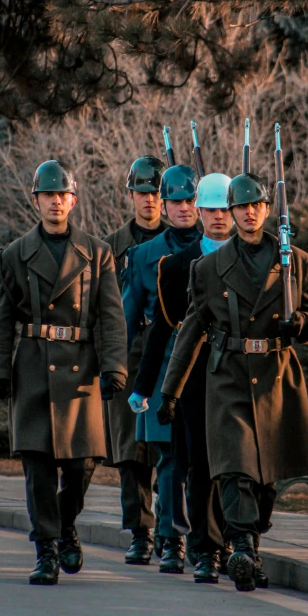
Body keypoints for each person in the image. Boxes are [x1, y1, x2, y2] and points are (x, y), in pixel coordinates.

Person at [159, 172, 308, 592]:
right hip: (229, 376)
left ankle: (252, 537)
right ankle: (241, 547)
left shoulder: (295, 262)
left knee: (266, 481)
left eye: (256, 205)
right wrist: (169, 391)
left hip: (276, 379)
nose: (249, 212)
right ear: (231, 212)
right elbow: (192, 330)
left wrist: (300, 324)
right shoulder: (209, 268)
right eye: (241, 206)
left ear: (267, 209)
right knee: (235, 469)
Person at [0, 160, 127, 586]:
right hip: (32, 366)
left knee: (83, 463)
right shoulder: (14, 255)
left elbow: (111, 316)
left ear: (73, 199)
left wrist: (114, 366)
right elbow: (1, 318)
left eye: (61, 195)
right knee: (39, 467)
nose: (55, 202)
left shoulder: (98, 252)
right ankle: (46, 547)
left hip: (81, 368)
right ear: (35, 201)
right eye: (47, 195)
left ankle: (65, 526)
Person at [134, 173, 232, 584]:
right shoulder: (176, 265)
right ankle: (202, 546)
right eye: (210, 209)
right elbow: (160, 326)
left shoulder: (257, 258)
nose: (216, 217)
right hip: (190, 373)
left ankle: (237, 541)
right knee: (194, 464)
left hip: (238, 374)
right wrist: (143, 384)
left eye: (222, 209)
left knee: (239, 465)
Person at [123, 164, 200, 574]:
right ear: (164, 206)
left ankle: (209, 539)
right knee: (170, 458)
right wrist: (124, 375)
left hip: (208, 366)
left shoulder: (218, 245)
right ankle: (171, 539)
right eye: (176, 201)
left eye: (191, 200)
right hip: (163, 364)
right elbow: (128, 318)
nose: (184, 208)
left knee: (204, 460)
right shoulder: (143, 256)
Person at [102, 156, 167, 566]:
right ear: (130, 195)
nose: (149, 201)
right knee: (130, 451)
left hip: (168, 355)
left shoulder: (184, 238)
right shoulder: (112, 246)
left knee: (170, 448)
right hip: (128, 353)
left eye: (156, 193)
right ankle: (140, 532)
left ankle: (170, 528)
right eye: (142, 193)